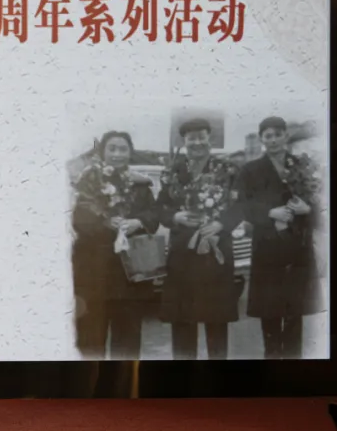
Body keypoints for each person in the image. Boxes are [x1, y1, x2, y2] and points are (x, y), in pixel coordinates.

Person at [232, 116, 325, 358]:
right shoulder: (250, 170)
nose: (273, 140)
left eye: (277, 134)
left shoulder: (303, 166)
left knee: (295, 314)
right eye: (268, 136)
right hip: (268, 250)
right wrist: (269, 212)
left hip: (297, 249)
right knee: (270, 313)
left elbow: (321, 205)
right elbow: (241, 205)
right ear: (262, 139)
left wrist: (308, 209)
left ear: (285, 136)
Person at [156, 118, 243, 360]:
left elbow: (242, 205)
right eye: (191, 138)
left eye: (201, 137)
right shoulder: (173, 171)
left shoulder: (228, 169)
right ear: (184, 142)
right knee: (183, 322)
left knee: (216, 322)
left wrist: (221, 224)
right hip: (182, 257)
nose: (196, 142)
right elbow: (160, 208)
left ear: (209, 139)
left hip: (215, 253)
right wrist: (175, 216)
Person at [70, 131, 160, 360]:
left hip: (129, 275)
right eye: (112, 148)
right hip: (94, 272)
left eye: (123, 149)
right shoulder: (89, 181)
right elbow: (79, 219)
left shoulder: (140, 184)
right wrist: (106, 223)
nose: (117, 154)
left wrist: (138, 222)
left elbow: (153, 215)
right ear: (103, 152)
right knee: (91, 338)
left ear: (130, 153)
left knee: (127, 339)